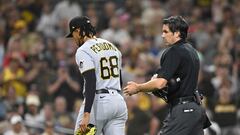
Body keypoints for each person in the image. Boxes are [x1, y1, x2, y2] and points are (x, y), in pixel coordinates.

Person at [124, 16, 211, 135]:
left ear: (177, 33)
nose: (162, 35)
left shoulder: (174, 51)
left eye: (166, 31)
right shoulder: (192, 51)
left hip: (183, 110)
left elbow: (160, 83)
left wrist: (138, 87)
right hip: (195, 109)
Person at [65, 16, 128, 135]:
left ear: (78, 31)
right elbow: (119, 81)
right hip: (118, 102)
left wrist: (86, 113)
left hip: (99, 102)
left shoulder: (83, 50)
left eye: (73, 34)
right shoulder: (113, 47)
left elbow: (91, 82)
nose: (73, 39)